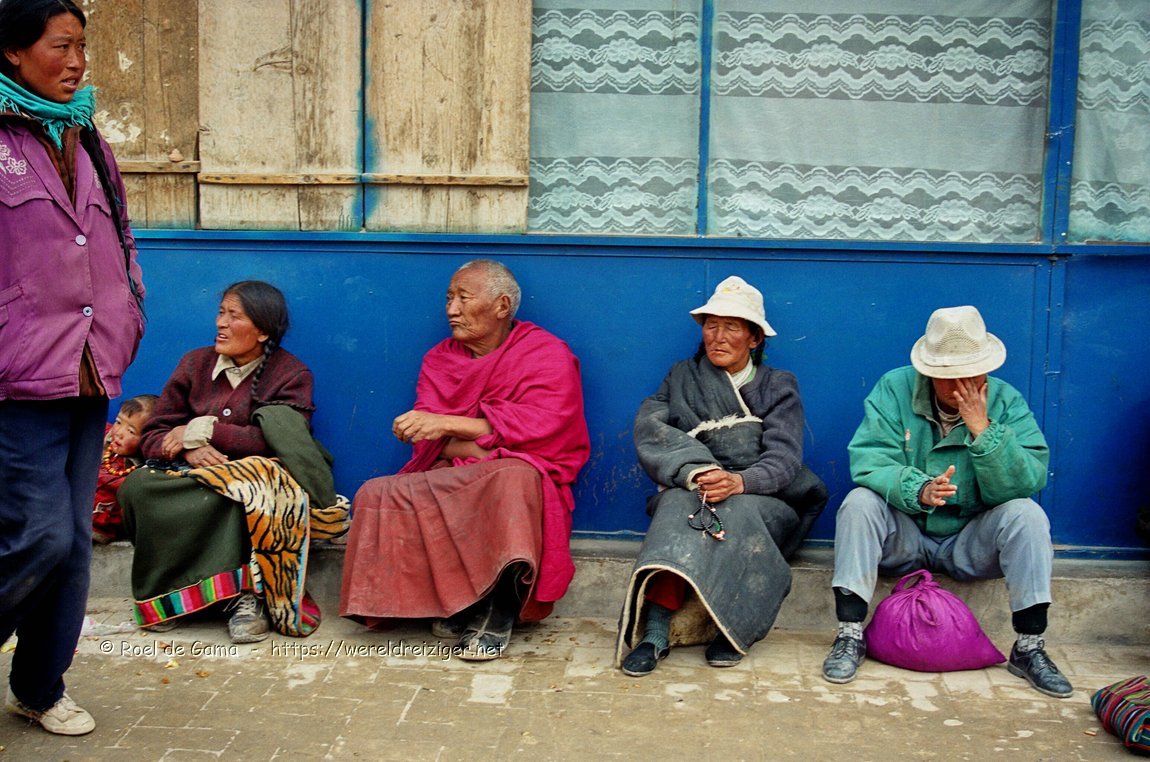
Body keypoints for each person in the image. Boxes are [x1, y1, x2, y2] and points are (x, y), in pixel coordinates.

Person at [0, 0, 145, 737]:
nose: (78, 62)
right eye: (61, 45)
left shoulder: (85, 137)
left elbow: (118, 234)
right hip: (16, 375)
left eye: (82, 45)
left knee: (73, 545)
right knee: (41, 534)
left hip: (89, 367)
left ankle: (39, 686)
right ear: (13, 51)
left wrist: (131, 307)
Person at [340, 259, 590, 660]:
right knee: (377, 492)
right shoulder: (441, 358)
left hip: (521, 475)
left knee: (511, 477)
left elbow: (547, 429)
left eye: (463, 298)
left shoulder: (546, 354)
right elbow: (430, 445)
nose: (451, 309)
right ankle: (451, 601)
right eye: (448, 298)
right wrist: (475, 443)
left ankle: (498, 609)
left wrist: (450, 426)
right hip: (456, 471)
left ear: (502, 306)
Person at [822, 305, 1073, 698]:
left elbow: (1028, 479)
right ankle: (850, 634)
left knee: (1027, 515)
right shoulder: (894, 388)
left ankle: (1029, 646)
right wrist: (917, 489)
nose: (962, 386)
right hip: (906, 535)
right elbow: (870, 458)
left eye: (973, 375)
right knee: (859, 503)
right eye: (950, 377)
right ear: (929, 373)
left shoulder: (1006, 400)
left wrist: (983, 430)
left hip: (970, 541)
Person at [616, 276, 827, 676]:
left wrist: (740, 482)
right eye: (711, 325)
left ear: (754, 338)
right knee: (680, 507)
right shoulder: (681, 377)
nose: (718, 336)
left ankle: (734, 630)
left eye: (732, 327)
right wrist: (698, 471)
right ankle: (655, 632)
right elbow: (651, 427)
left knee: (736, 512)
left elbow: (784, 459)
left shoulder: (778, 386)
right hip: (700, 487)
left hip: (764, 498)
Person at [119, 281, 348, 644]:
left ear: (262, 331)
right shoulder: (194, 364)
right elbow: (154, 434)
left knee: (245, 494)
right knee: (139, 486)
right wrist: (187, 449)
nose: (220, 324)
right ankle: (174, 595)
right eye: (221, 313)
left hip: (249, 478)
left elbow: (283, 439)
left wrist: (207, 429)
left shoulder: (291, 374)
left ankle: (248, 596)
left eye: (233, 316)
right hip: (192, 471)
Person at [92, 394, 157, 543]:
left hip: (99, 526)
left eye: (131, 431)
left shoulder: (141, 472)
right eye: (118, 422)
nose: (119, 433)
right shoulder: (104, 437)